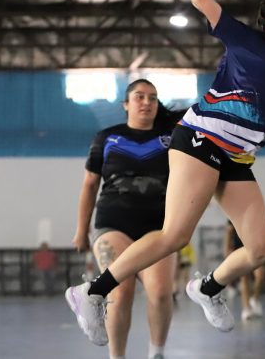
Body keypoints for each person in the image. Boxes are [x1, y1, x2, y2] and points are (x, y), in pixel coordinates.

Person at [65, 0, 265, 344]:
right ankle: (92, 292)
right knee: (175, 235)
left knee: (261, 249)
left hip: (238, 158)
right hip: (200, 138)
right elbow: (201, 1)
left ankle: (208, 288)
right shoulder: (248, 41)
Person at [67, 79, 184, 358]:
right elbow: (90, 185)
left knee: (160, 293)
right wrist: (81, 230)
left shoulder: (171, 137)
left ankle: (157, 353)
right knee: (120, 293)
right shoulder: (106, 137)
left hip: (158, 227)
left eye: (153, 98)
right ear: (126, 104)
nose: (146, 102)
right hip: (113, 223)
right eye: (139, 96)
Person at [225, 220, 265, 320]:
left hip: (255, 249)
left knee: (260, 275)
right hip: (239, 249)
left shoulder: (261, 212)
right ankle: (246, 308)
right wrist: (227, 251)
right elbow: (228, 233)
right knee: (244, 278)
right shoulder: (232, 217)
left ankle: (255, 299)